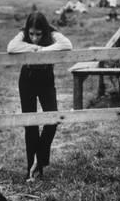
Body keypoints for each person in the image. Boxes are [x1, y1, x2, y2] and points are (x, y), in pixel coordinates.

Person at [7, 12, 72, 181]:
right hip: (27, 79)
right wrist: (33, 48)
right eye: (31, 34)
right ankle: (33, 171)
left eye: (38, 34)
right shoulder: (23, 32)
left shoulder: (52, 32)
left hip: (46, 78)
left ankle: (39, 159)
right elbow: (11, 47)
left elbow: (67, 44)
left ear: (44, 30)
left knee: (52, 120)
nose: (34, 37)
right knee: (31, 124)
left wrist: (43, 50)